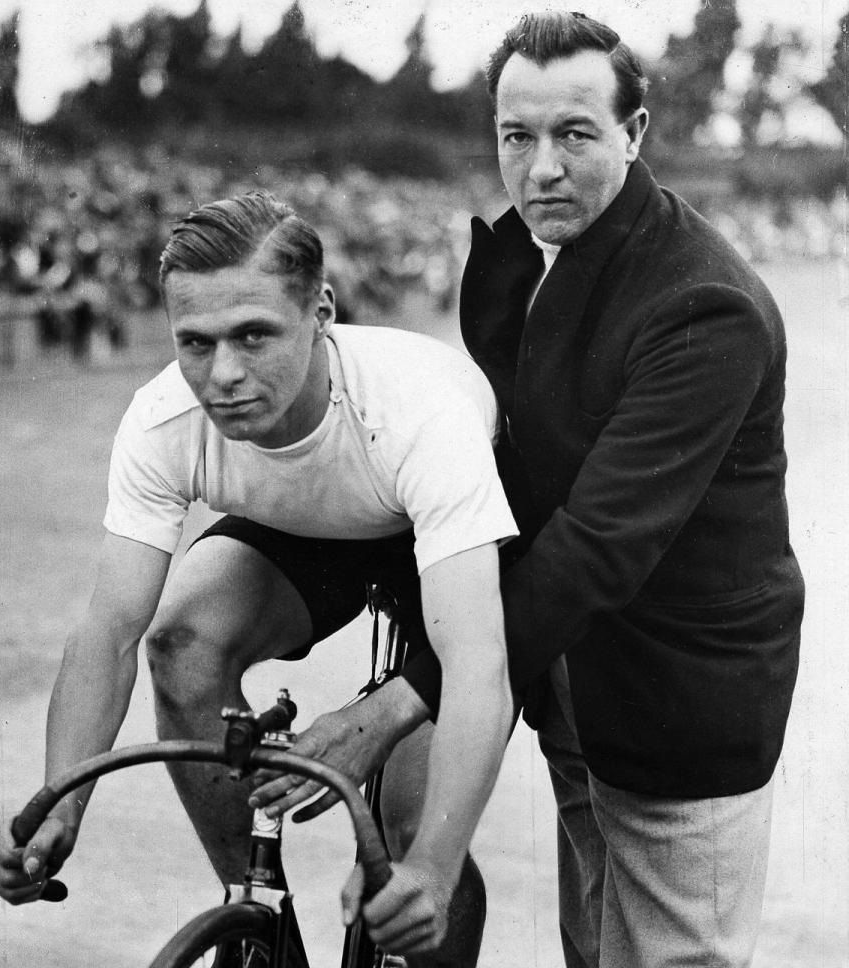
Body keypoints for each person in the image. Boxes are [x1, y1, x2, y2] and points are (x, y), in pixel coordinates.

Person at [0, 191, 519, 962]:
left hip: (439, 537)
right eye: (195, 343)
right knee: (181, 642)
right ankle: (255, 911)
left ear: (322, 311)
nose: (223, 374)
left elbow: (477, 666)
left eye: (255, 335)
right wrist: (59, 802)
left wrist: (431, 868)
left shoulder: (421, 415)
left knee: (408, 836)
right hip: (315, 528)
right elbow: (110, 631)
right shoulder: (164, 419)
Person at [440, 11, 804, 968]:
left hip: (681, 708)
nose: (542, 169)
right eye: (517, 137)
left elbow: (600, 537)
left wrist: (424, 690)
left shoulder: (703, 302)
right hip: (577, 686)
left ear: (636, 135)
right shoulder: (533, 257)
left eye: (575, 134)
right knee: (595, 951)